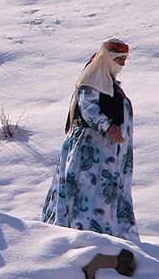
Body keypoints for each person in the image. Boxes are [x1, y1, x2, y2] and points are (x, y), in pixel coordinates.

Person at [41, 39, 138, 242]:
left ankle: (108, 231)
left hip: (108, 153)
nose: (123, 64)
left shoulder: (108, 82)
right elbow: (88, 108)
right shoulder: (93, 79)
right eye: (119, 59)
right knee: (86, 188)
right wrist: (108, 126)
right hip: (91, 149)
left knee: (105, 191)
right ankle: (85, 232)